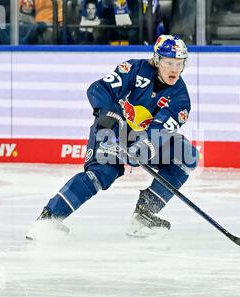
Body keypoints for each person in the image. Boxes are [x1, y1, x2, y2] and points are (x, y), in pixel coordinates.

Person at [26, 35, 199, 240]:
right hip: (112, 132)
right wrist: (108, 114)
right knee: (101, 174)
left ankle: (144, 215)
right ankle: (48, 219)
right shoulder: (134, 69)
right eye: (169, 63)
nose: (174, 70)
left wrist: (144, 147)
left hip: (145, 141)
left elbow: (161, 130)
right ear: (157, 59)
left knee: (187, 156)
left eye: (179, 64)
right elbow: (99, 89)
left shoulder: (181, 98)